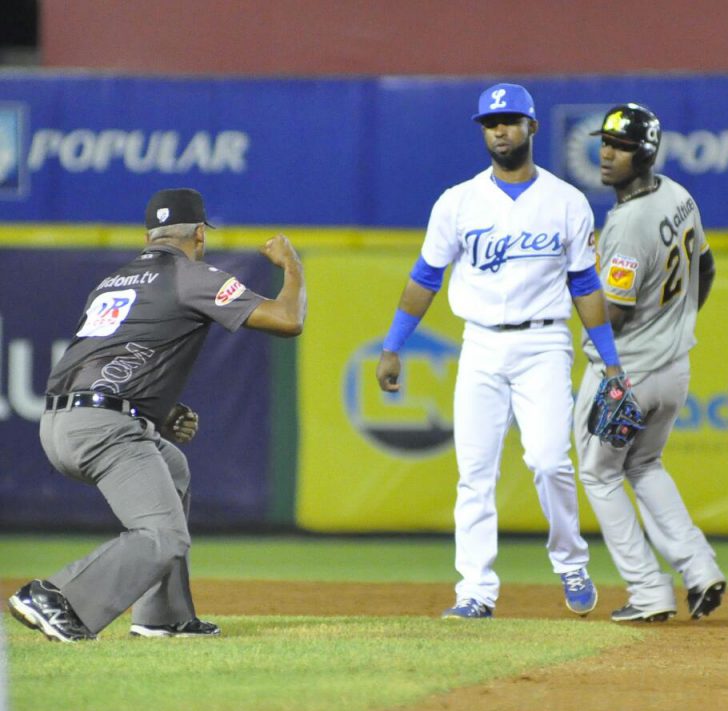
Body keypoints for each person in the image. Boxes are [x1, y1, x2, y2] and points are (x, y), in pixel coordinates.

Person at [6, 188, 307, 642]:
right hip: (103, 429)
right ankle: (57, 596)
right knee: (163, 535)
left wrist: (155, 411)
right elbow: (287, 319)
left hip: (62, 422)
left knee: (173, 466)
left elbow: (105, 358)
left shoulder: (113, 281)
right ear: (200, 234)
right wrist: (292, 265)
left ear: (150, 236)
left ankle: (161, 615)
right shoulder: (192, 275)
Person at [376, 83, 627, 619]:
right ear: (483, 130)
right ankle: (475, 591)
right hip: (482, 343)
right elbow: (425, 277)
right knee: (475, 473)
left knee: (548, 461)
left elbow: (585, 286)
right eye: (492, 123)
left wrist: (608, 357)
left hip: (543, 342)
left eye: (511, 121)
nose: (500, 130)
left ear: (532, 127)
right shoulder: (458, 201)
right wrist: (393, 344)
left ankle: (570, 561)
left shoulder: (566, 200)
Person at [573, 103, 726, 623]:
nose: (607, 153)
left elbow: (611, 316)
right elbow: (705, 268)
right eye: (605, 142)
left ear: (645, 153)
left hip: (626, 374)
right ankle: (700, 569)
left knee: (599, 475)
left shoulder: (629, 224)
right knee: (645, 464)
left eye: (620, 146)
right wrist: (675, 325)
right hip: (674, 368)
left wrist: (572, 292)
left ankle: (648, 592)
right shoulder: (679, 196)